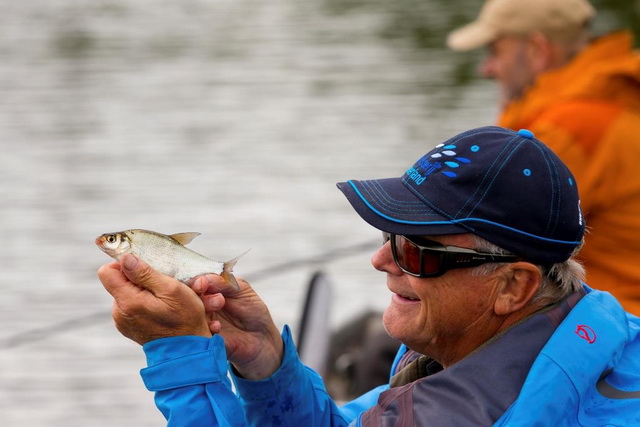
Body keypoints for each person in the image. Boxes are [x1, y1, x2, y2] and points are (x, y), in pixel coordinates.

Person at [98, 126, 640, 426]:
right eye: (387, 237)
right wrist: (266, 365)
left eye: (416, 250)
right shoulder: (520, 343)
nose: (382, 261)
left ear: (512, 286)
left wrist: (182, 356)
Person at [447, 0, 640, 315]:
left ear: (538, 49)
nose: (487, 68)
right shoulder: (612, 98)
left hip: (616, 324)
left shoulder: (567, 128)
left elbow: (483, 230)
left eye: (495, 51)